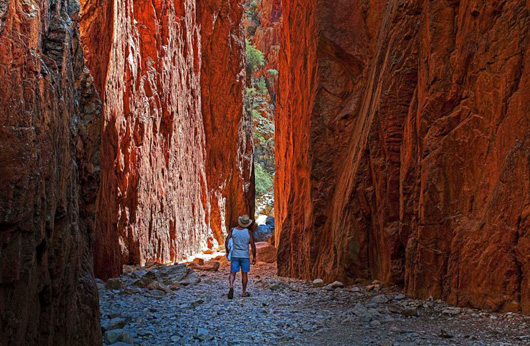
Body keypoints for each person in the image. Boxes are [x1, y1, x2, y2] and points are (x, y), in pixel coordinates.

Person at [225, 214, 256, 299]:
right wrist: (254, 256)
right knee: (244, 274)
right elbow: (253, 245)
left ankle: (231, 286)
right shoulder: (248, 232)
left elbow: (227, 240)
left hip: (235, 254)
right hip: (245, 256)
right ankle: (243, 292)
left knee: (232, 272)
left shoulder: (233, 230)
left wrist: (227, 251)